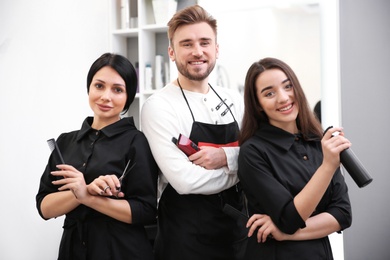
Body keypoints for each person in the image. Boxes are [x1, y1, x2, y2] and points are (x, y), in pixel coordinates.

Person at [141, 5, 247, 260]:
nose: (197, 51)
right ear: (172, 52)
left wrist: (225, 158)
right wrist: (242, 170)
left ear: (216, 49)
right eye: (186, 44)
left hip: (237, 234)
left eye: (204, 42)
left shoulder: (235, 99)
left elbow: (259, 153)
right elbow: (187, 181)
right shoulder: (159, 106)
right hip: (186, 239)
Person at [36, 53, 158, 260]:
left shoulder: (137, 141)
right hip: (73, 250)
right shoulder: (66, 142)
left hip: (121, 250)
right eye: (99, 86)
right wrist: (81, 192)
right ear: (89, 88)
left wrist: (86, 196)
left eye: (117, 90)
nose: (106, 97)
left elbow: (145, 210)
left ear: (128, 96)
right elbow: (45, 208)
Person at [238, 57, 352, 259]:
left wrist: (285, 234)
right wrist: (327, 166)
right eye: (269, 93)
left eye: (287, 86)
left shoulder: (319, 142)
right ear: (258, 105)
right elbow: (289, 218)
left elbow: (342, 214)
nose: (283, 98)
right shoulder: (253, 152)